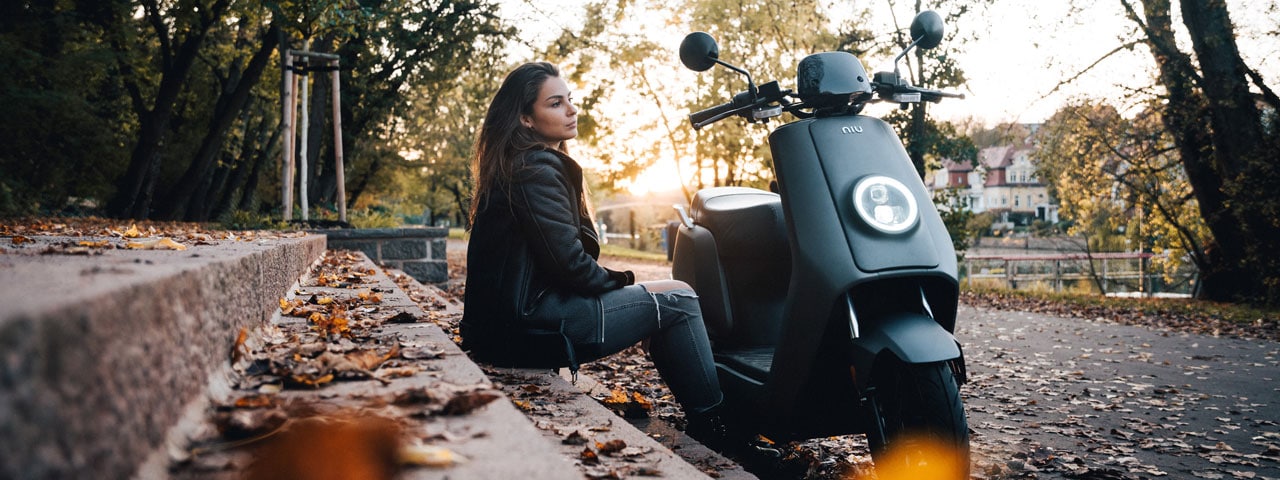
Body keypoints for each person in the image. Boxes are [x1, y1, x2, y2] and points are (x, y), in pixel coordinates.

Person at [460, 62, 731, 442]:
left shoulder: (517, 165)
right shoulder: (534, 168)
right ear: (525, 117)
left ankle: (708, 411)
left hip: (506, 327)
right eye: (555, 103)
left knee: (664, 297)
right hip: (527, 328)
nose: (571, 110)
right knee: (680, 299)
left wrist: (631, 291)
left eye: (569, 100)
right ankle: (718, 429)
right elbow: (569, 265)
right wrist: (626, 281)